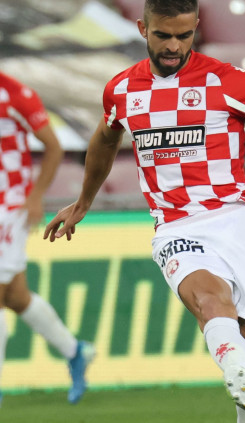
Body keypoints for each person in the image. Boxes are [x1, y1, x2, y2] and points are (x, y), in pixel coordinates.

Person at [42, 1, 245, 422]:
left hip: (240, 221)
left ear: (196, 27)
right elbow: (104, 138)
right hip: (176, 227)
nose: (174, 46)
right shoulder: (122, 89)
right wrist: (84, 201)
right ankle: (237, 370)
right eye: (163, 35)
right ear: (143, 28)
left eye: (184, 35)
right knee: (212, 303)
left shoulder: (226, 80)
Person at [0, 71, 96, 406]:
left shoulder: (16, 94)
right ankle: (76, 351)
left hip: (9, 207)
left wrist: (36, 196)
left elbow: (53, 147)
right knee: (16, 296)